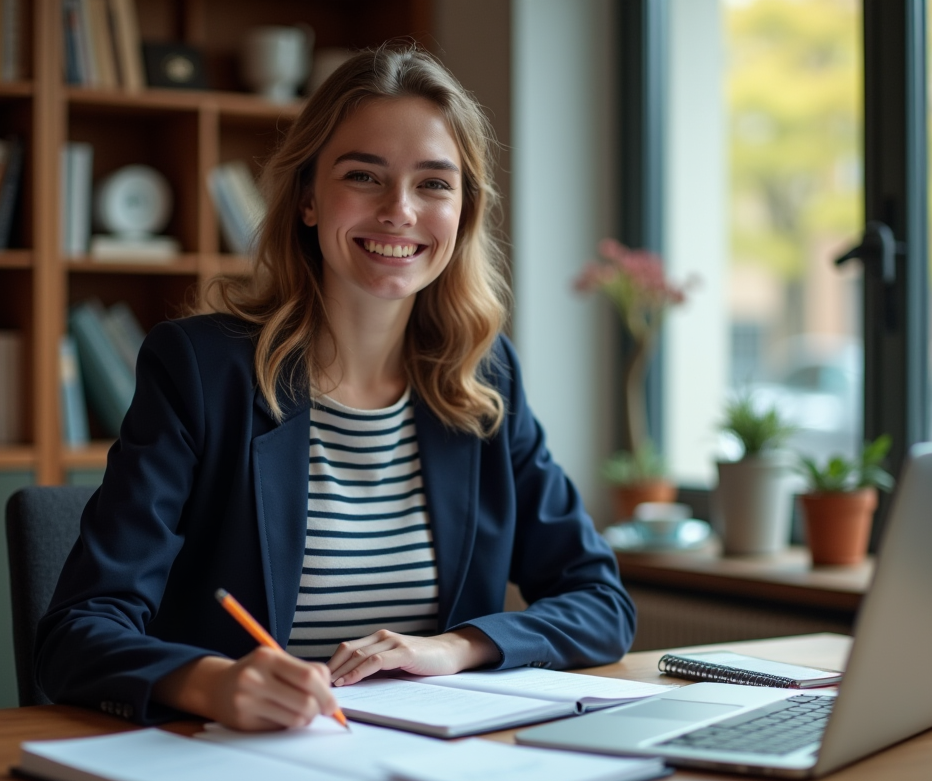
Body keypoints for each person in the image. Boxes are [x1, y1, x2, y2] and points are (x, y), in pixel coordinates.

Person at [35, 44, 636, 732]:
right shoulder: (200, 371)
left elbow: (600, 602)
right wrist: (212, 685)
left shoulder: (483, 377)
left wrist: (456, 647)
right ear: (309, 199)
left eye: (434, 183)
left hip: (428, 765)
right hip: (239, 762)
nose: (400, 211)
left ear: (464, 211)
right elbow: (76, 631)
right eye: (364, 176)